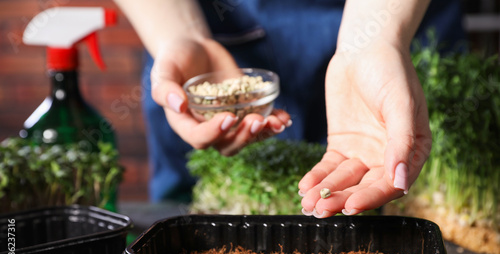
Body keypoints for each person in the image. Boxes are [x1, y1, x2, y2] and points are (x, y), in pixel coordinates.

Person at [114, 0, 464, 217]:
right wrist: (181, 34)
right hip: (203, 21)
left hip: (394, 14)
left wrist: (375, 39)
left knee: (410, 211)